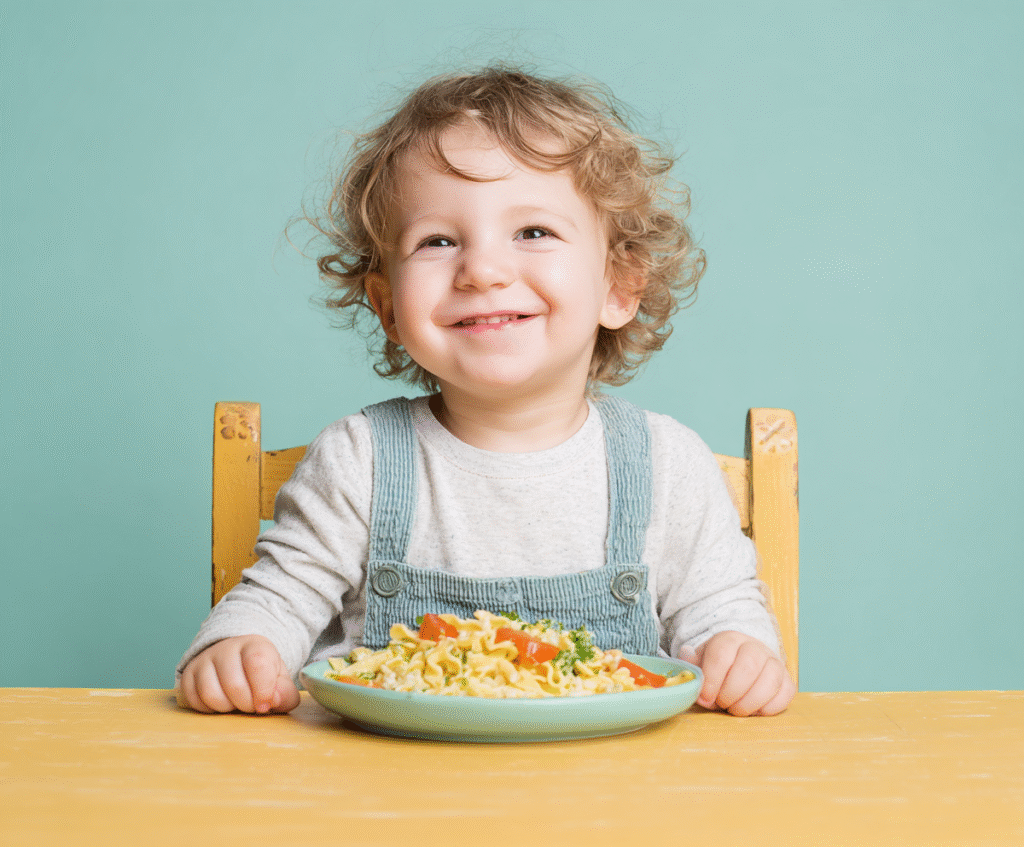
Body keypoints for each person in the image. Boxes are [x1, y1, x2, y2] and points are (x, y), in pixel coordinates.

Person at [176, 67, 796, 718]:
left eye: (533, 232)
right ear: (387, 307)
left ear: (619, 284)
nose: (483, 270)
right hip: (384, 795)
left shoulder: (668, 465)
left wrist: (739, 653)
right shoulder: (358, 460)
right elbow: (274, 600)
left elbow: (724, 613)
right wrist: (237, 650)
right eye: (437, 241)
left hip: (610, 801)